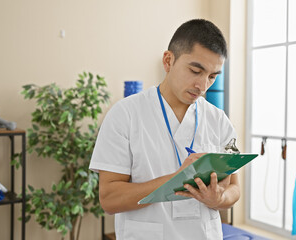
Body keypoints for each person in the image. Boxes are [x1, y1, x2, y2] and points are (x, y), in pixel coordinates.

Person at [89, 19, 239, 239]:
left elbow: (234, 187)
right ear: (168, 61)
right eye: (195, 70)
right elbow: (109, 199)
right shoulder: (124, 115)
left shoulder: (219, 120)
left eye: (212, 76)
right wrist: (174, 181)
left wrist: (219, 199)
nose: (203, 85)